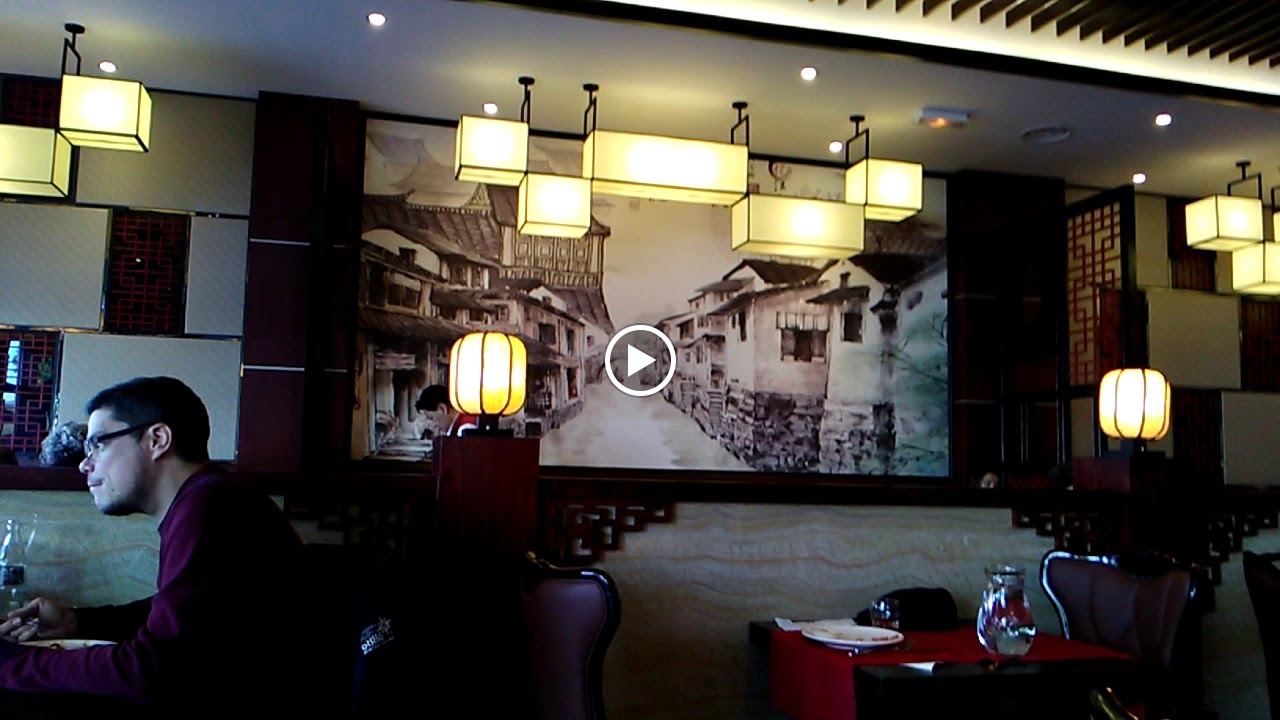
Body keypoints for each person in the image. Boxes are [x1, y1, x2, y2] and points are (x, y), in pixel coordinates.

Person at [0, 376, 303, 710]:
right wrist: (78, 622)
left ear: (157, 439)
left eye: (98, 444)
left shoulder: (209, 509)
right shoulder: (211, 498)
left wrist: (13, 663)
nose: (85, 464)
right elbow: (181, 614)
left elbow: (151, 670)